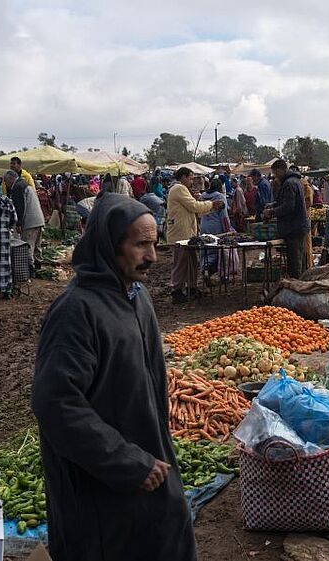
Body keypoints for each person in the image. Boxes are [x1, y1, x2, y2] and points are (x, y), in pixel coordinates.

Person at [31, 194, 196, 561]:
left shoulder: (137, 297)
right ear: (108, 245)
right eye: (140, 245)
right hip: (101, 482)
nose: (152, 257)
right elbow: (55, 403)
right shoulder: (76, 311)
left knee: (167, 533)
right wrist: (127, 462)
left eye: (154, 244)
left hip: (150, 461)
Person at [166, 167, 222, 303]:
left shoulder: (182, 190)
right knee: (180, 263)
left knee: (192, 262)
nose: (192, 181)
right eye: (190, 178)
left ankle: (192, 288)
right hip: (180, 234)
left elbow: (194, 211)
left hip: (187, 234)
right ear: (183, 177)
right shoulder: (178, 188)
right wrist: (211, 204)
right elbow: (194, 207)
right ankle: (176, 290)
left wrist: (211, 207)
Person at [263, 160, 310, 278]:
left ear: (280, 170)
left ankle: (297, 289)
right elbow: (286, 201)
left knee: (295, 264)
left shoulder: (289, 183)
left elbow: (289, 206)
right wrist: (273, 204)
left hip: (294, 228)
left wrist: (271, 212)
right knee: (298, 261)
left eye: (274, 173)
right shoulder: (293, 181)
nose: (274, 176)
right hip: (296, 227)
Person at [6, 170, 46, 271]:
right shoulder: (25, 184)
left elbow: (20, 207)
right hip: (38, 219)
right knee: (37, 245)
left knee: (28, 246)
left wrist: (18, 223)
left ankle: (30, 270)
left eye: (6, 182)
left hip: (30, 221)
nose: (7, 185)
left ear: (11, 179)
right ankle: (38, 266)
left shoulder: (17, 187)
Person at [198, 179, 232, 280]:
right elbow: (224, 215)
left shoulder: (202, 196)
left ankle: (204, 268)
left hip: (203, 226)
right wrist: (227, 229)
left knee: (205, 249)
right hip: (216, 227)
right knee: (217, 251)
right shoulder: (220, 197)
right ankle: (215, 272)